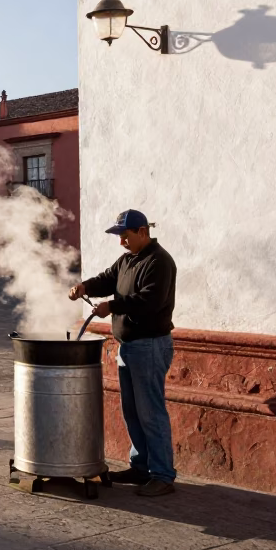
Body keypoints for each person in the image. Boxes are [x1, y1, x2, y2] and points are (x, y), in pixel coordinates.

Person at [69, 209, 177, 497]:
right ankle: (141, 467)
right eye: (119, 237)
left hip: (150, 346)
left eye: (125, 237)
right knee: (132, 411)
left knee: (151, 412)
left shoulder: (159, 262)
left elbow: (149, 301)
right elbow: (108, 278)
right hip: (128, 347)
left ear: (142, 232)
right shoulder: (129, 259)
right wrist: (84, 287)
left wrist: (111, 307)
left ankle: (163, 475)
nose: (121, 243)